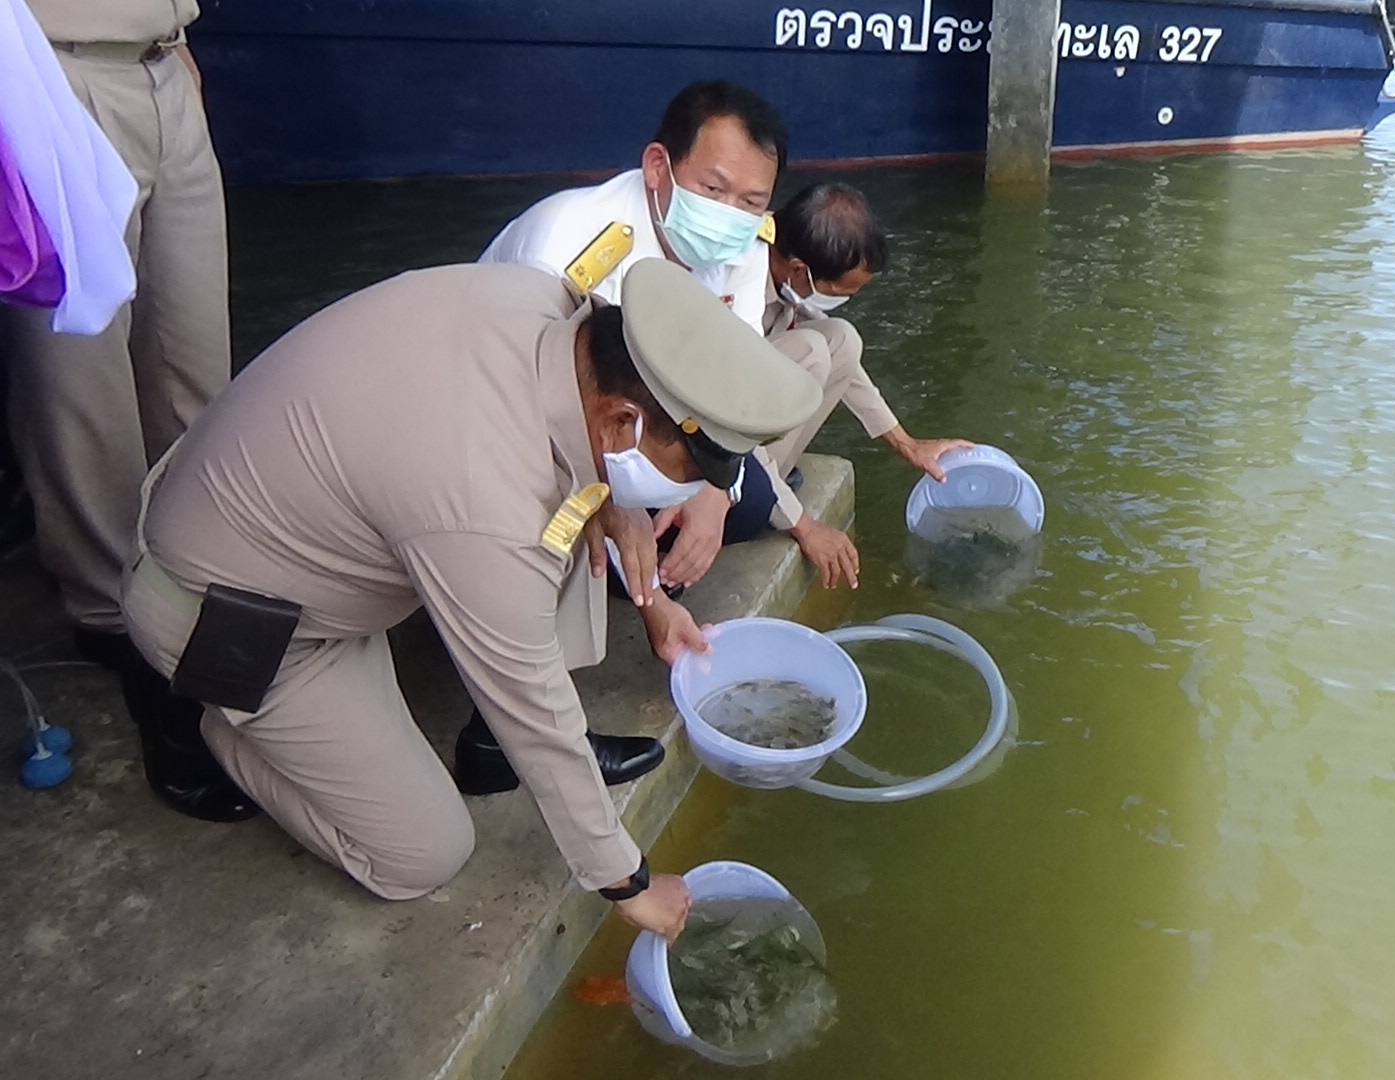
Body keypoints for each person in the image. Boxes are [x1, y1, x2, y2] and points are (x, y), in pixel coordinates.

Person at [123, 259, 821, 931]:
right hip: (239, 620)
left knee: (577, 510)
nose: (694, 489)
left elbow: (548, 459)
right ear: (620, 422)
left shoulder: (541, 303)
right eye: (692, 470)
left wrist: (629, 537)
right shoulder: (485, 510)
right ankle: (222, 720)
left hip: (247, 506)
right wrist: (628, 883)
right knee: (422, 853)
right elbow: (535, 716)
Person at [479, 79, 859, 594]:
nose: (731, 215)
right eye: (713, 190)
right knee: (602, 562)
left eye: (752, 201)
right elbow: (537, 416)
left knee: (741, 507)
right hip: (533, 431)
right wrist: (622, 527)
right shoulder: (568, 249)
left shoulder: (746, 247)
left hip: (649, 423)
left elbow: (735, 381)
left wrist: (714, 492)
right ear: (657, 166)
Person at [2, 0, 241, 820]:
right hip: (54, 72)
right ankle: (112, 612)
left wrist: (176, 42)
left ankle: (197, 567)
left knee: (195, 365)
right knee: (82, 382)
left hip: (160, 60)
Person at [761, 182, 973, 497]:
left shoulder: (788, 267)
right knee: (811, 350)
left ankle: (771, 472)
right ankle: (753, 486)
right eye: (836, 292)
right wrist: (799, 521)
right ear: (799, 269)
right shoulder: (739, 275)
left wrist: (906, 443)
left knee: (842, 337)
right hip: (713, 421)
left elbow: (847, 362)